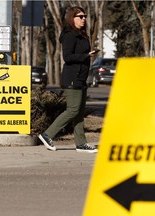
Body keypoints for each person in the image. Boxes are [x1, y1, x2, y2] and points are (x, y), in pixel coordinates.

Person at [38, 6, 98, 153]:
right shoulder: (70, 35)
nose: (84, 19)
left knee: (79, 112)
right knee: (73, 110)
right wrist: (86, 55)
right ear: (72, 18)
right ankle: (47, 135)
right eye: (80, 17)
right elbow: (68, 57)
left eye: (84, 16)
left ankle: (81, 143)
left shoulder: (81, 34)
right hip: (72, 78)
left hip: (81, 78)